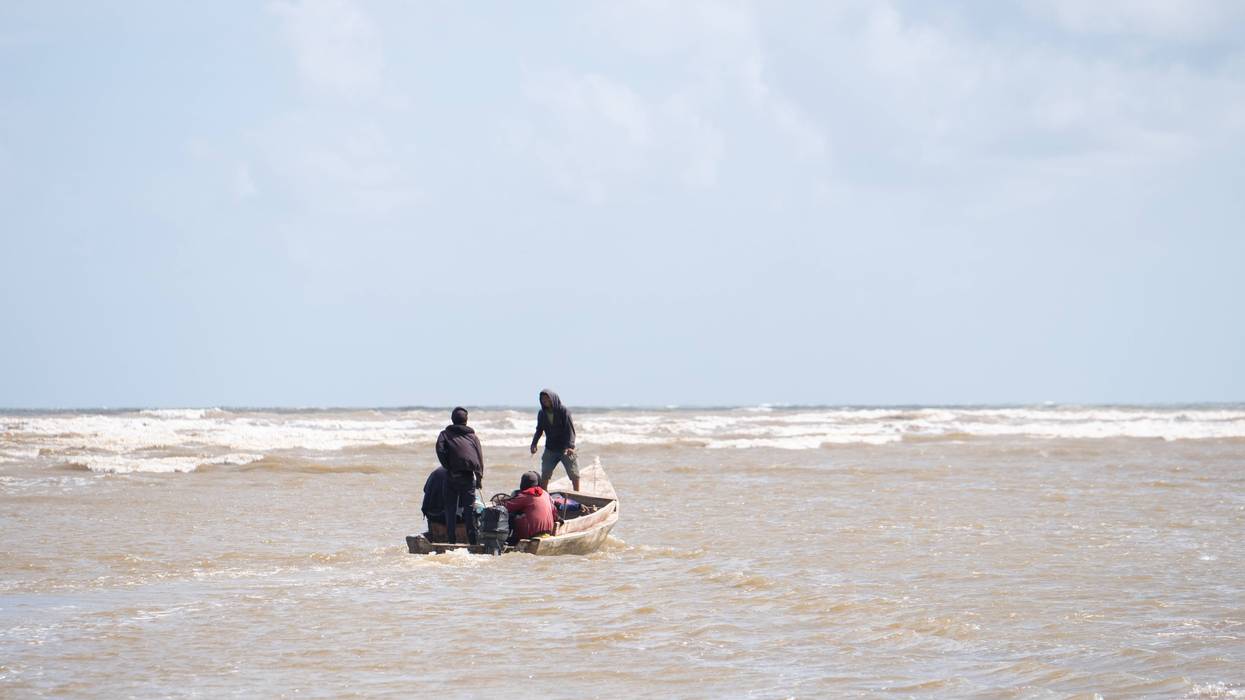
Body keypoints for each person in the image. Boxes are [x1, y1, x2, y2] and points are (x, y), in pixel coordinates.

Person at [435, 406, 483, 545]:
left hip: (451, 476)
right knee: (469, 510)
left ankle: (451, 542)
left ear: (452, 420)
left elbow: (439, 449)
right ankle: (473, 542)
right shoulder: (473, 437)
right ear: (466, 421)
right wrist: (479, 478)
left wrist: (447, 466)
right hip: (468, 477)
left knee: (450, 509)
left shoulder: (444, 434)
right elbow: (479, 458)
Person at [530, 388, 579, 491]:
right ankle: (544, 496)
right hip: (550, 448)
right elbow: (539, 430)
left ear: (553, 398)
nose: (545, 401)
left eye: (547, 398)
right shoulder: (542, 413)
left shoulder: (563, 411)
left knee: (574, 474)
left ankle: (578, 494)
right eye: (542, 399)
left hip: (565, 449)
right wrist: (534, 444)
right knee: (545, 473)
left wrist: (570, 446)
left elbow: (570, 429)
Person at [504, 470, 557, 544]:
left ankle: (511, 540)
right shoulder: (545, 494)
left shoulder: (524, 496)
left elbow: (506, 508)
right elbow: (554, 512)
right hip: (548, 531)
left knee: (509, 516)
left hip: (531, 534)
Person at [420, 465, 449, 533]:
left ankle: (432, 534)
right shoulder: (461, 473)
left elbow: (425, 489)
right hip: (447, 516)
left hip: (431, 515)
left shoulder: (436, 472)